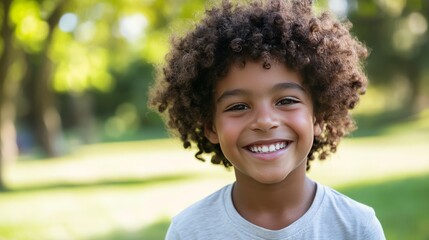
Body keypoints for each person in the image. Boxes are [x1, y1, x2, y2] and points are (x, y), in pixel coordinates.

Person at [149, 0, 385, 239]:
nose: (264, 121)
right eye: (238, 106)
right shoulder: (189, 232)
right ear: (211, 126)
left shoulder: (356, 227)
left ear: (318, 117)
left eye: (286, 101)